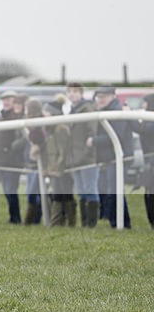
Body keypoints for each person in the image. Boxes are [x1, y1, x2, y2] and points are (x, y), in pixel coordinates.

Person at [91, 86, 133, 229]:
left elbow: (116, 136)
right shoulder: (106, 111)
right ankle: (117, 222)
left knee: (114, 191)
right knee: (111, 191)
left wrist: (94, 141)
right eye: (98, 97)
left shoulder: (117, 111)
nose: (100, 100)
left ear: (112, 96)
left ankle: (121, 223)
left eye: (103, 97)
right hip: (110, 159)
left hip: (119, 158)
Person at [65, 82, 100, 227]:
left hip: (87, 157)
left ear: (81, 93)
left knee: (90, 189)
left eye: (75, 91)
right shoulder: (72, 110)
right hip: (75, 157)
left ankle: (91, 223)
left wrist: (86, 153)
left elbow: (92, 132)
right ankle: (85, 222)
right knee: (80, 191)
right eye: (69, 91)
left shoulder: (87, 108)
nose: (72, 94)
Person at [42, 95, 76, 226]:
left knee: (65, 194)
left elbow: (63, 151)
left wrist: (58, 168)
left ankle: (69, 221)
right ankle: (57, 222)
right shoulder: (51, 128)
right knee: (57, 194)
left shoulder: (61, 129)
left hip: (62, 168)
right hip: (55, 167)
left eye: (46, 112)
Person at [0, 90, 25, 224]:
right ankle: (13, 216)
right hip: (2, 159)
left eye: (9, 99)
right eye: (4, 100)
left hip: (12, 160)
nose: (6, 102)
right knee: (7, 190)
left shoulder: (17, 117)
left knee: (10, 189)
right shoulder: (3, 116)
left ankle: (15, 218)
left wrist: (9, 153)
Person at [131, 93, 154, 228]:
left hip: (152, 162)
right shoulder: (147, 119)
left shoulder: (150, 121)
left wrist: (129, 116)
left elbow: (141, 129)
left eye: (145, 102)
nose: (143, 105)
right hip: (149, 162)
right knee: (148, 193)